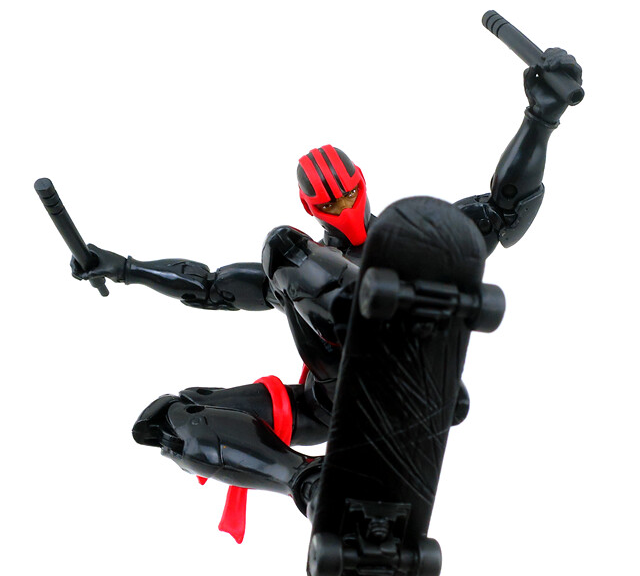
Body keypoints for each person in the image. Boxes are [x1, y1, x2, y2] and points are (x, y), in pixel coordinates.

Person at [72, 48, 582, 540]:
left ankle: (391, 347)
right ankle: (310, 485)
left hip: (405, 373)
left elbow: (502, 210)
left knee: (285, 250)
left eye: (350, 192)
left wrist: (541, 118)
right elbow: (208, 286)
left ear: (363, 181)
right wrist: (126, 268)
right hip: (329, 402)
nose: (344, 205)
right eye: (331, 202)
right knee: (173, 419)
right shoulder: (297, 272)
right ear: (310, 205)